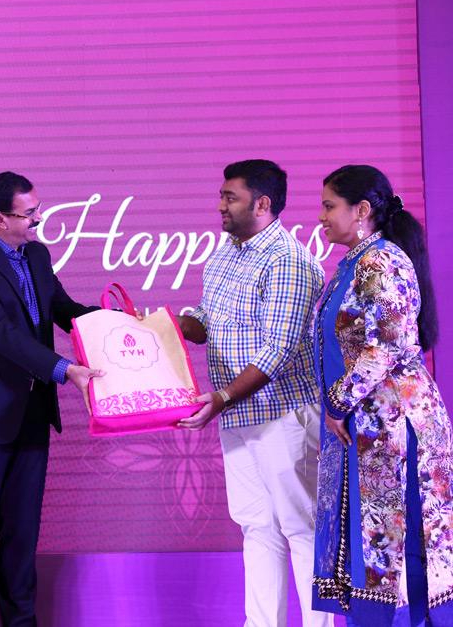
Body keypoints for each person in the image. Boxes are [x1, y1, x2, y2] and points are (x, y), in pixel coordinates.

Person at [0, 171, 101, 627]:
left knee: (22, 533)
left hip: (32, 412)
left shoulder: (37, 254)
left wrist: (117, 324)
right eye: (30, 213)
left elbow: (63, 311)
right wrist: (64, 369)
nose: (38, 219)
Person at [177, 160, 330, 627]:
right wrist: (164, 328)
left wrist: (221, 397)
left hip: (283, 413)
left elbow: (277, 350)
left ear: (262, 204)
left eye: (231, 197)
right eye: (221, 196)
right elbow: (206, 319)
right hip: (238, 415)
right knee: (257, 526)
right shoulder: (226, 251)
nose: (220, 205)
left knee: (301, 527)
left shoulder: (289, 261)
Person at [312, 164, 453, 625]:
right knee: (375, 541)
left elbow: (386, 346)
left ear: (361, 210)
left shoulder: (381, 262)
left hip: (394, 423)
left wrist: (337, 402)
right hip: (368, 420)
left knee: (399, 542)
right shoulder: (354, 264)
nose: (321, 216)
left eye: (329, 206)